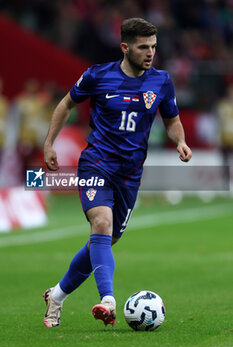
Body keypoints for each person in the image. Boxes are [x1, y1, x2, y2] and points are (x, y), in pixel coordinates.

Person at [43, 17, 192, 328]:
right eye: (143, 47)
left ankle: (56, 296)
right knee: (101, 221)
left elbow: (172, 119)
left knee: (105, 239)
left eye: (153, 47)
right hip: (96, 163)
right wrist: (49, 143)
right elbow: (65, 104)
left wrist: (180, 140)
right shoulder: (97, 75)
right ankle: (108, 300)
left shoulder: (161, 82)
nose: (150, 53)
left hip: (130, 174)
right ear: (125, 47)